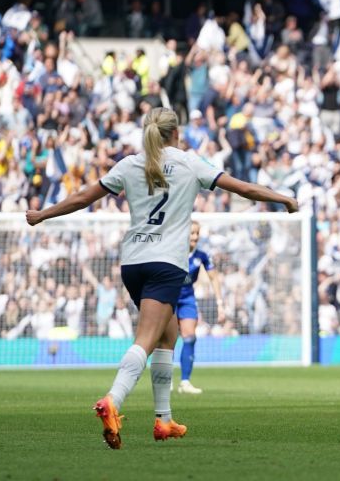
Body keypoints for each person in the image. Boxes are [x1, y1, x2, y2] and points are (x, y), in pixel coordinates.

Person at [25, 107, 298, 449]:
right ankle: (113, 400)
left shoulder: (129, 164)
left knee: (168, 336)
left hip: (133, 264)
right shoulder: (189, 162)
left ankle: (164, 420)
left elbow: (83, 197)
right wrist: (283, 197)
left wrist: (42, 215)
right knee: (147, 339)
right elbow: (243, 188)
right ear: (176, 133)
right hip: (166, 264)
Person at [176, 221, 225, 395]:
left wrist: (220, 304)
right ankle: (163, 380)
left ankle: (185, 381)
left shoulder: (202, 256)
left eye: (197, 233)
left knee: (189, 336)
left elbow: (214, 278)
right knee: (165, 340)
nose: (195, 237)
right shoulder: (172, 252)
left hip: (188, 298)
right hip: (168, 297)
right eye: (192, 233)